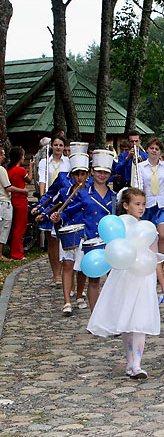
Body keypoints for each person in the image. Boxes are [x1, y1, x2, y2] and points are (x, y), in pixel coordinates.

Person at [86, 187, 164, 380]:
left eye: (143, 204)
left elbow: (155, 258)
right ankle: (130, 361)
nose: (141, 208)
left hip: (144, 277)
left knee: (140, 320)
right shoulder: (120, 227)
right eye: (137, 204)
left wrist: (163, 285)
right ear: (126, 205)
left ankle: (137, 364)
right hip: (125, 276)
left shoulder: (148, 229)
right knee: (127, 321)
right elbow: (113, 251)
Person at [57, 150, 116, 311]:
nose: (102, 175)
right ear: (92, 172)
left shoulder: (114, 197)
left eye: (105, 172)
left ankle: (113, 313)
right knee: (94, 279)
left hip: (109, 242)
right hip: (90, 240)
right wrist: (59, 217)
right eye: (99, 171)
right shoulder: (83, 194)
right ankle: (95, 315)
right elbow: (69, 211)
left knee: (113, 279)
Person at [48, 155, 91, 315]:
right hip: (67, 230)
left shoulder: (90, 192)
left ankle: (79, 294)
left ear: (87, 175)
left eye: (82, 174)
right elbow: (56, 207)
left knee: (82, 268)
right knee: (67, 265)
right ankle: (67, 301)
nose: (79, 177)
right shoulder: (64, 191)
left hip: (84, 233)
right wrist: (56, 217)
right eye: (76, 174)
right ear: (72, 176)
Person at [135, 138, 164, 256]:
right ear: (147, 150)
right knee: (148, 238)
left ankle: (160, 267)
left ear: (160, 152)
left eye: (157, 149)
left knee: (162, 236)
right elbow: (137, 187)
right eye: (151, 148)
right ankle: (149, 264)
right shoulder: (140, 167)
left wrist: (162, 194)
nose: (154, 151)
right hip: (147, 206)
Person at [38, 135, 70, 280]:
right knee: (52, 240)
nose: (58, 147)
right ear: (52, 146)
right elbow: (42, 181)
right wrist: (43, 201)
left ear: (64, 147)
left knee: (64, 239)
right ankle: (56, 274)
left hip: (64, 202)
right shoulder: (45, 162)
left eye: (60, 145)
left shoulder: (68, 162)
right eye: (56, 145)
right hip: (50, 201)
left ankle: (66, 272)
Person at [7, 147, 32, 261]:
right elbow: (29, 180)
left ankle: (14, 250)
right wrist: (31, 167)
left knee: (14, 226)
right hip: (21, 199)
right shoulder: (21, 170)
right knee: (20, 227)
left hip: (12, 199)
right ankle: (17, 253)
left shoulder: (8, 170)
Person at [0, 148, 14, 260]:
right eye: (3, 155)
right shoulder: (1, 170)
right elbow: (7, 187)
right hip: (4, 202)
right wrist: (23, 191)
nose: (4, 157)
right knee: (4, 227)